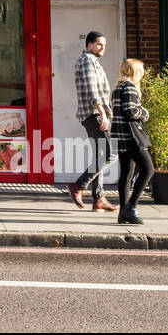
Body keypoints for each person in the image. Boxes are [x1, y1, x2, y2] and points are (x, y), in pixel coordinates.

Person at [68, 31, 117, 212]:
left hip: (91, 115)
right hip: (94, 115)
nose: (102, 47)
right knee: (111, 154)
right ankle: (78, 185)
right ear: (89, 45)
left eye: (104, 44)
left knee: (100, 156)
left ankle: (99, 199)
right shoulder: (87, 60)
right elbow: (91, 89)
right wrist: (103, 114)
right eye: (98, 44)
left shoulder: (92, 61)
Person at [110, 58, 154, 225]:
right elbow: (130, 111)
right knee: (148, 170)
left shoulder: (117, 88)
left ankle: (123, 213)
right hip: (132, 137)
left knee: (126, 175)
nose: (142, 75)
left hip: (120, 138)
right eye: (141, 72)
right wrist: (145, 113)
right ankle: (131, 207)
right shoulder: (130, 87)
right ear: (135, 71)